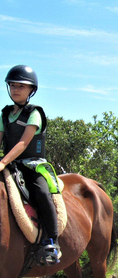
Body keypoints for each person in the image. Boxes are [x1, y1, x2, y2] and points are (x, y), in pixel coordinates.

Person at [0, 65, 61, 265]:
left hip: (32, 165)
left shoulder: (34, 113)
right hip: (11, 164)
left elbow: (23, 143)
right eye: (12, 85)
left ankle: (53, 242)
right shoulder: (5, 114)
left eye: (21, 86)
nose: (16, 89)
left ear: (31, 90)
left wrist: (2, 161)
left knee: (41, 192)